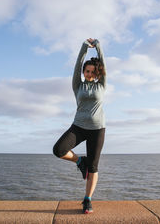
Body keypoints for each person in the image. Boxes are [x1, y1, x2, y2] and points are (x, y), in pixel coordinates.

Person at [53, 38, 106, 214]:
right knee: (59, 149)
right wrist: (84, 47)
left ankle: (87, 199)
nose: (89, 74)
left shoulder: (102, 85)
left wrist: (98, 47)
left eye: (92, 71)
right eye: (87, 71)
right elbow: (77, 64)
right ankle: (79, 161)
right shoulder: (78, 85)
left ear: (97, 73)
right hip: (78, 126)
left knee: (93, 167)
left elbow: (103, 63)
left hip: (97, 129)